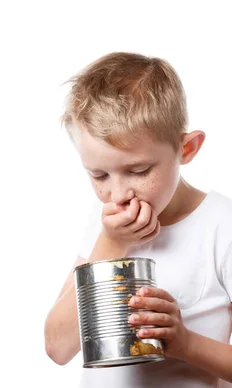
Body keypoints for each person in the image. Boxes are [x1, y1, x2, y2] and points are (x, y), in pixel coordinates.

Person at [43, 52, 232, 387]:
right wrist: (111, 245)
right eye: (99, 175)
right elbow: (58, 347)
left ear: (186, 149)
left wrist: (186, 343)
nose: (118, 195)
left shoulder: (220, 227)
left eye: (139, 171)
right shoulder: (106, 227)